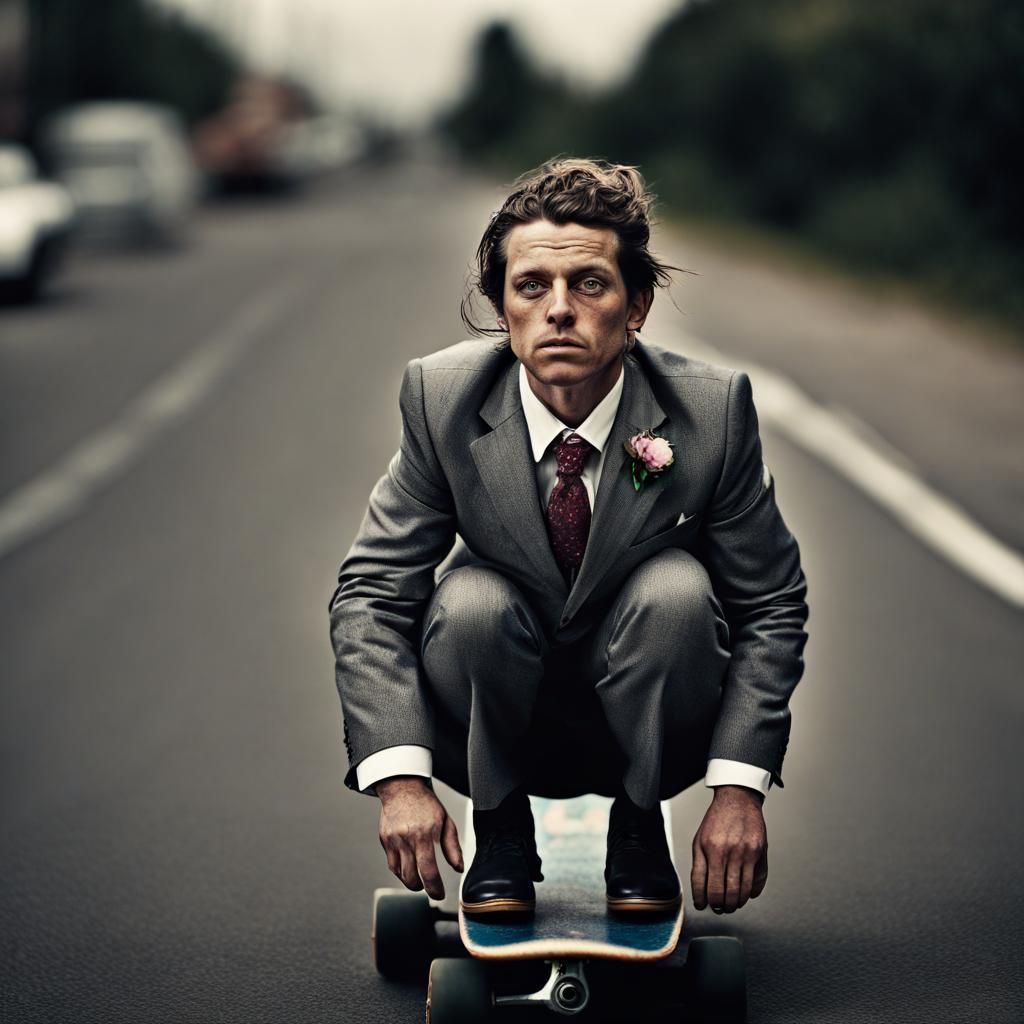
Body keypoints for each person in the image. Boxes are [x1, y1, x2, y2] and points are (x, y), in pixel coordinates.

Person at [328, 158, 808, 918]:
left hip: (655, 724)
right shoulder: (441, 400)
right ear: (500, 305)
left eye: (588, 283)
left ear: (637, 304)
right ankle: (502, 826)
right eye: (531, 287)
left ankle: (638, 824)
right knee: (472, 600)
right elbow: (372, 595)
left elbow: (772, 602)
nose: (559, 310)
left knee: (678, 593)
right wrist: (401, 781)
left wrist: (739, 790)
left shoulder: (711, 414)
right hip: (489, 720)